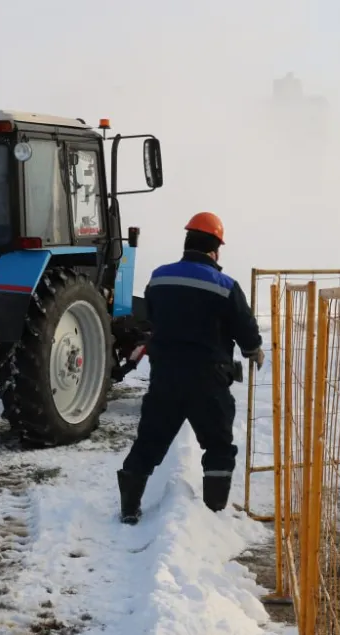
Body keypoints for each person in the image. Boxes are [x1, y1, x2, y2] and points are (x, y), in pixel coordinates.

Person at [116, 212, 265, 524]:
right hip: (208, 380)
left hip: (165, 377)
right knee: (218, 445)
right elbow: (246, 330)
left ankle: (129, 509)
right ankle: (213, 515)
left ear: (187, 243)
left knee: (150, 441)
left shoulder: (159, 278)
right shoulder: (226, 286)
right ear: (216, 250)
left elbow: (153, 319)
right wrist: (254, 351)